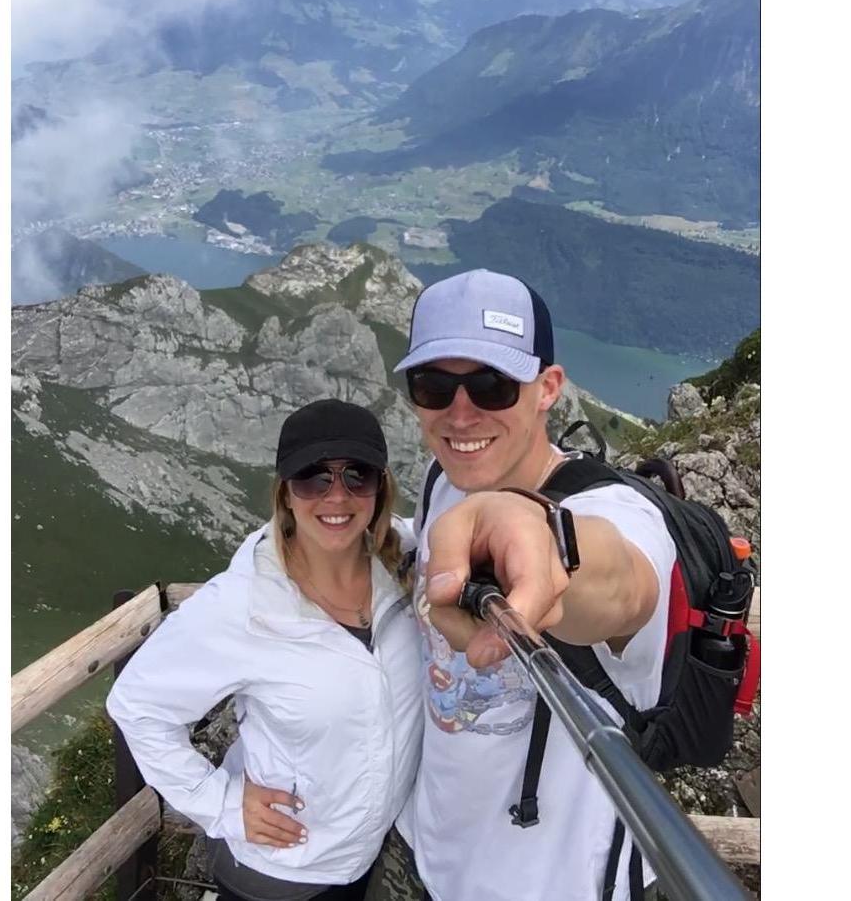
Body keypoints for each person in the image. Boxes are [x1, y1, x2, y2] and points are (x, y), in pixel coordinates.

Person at [392, 269, 676, 901]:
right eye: (433, 385)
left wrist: (550, 544)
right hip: (432, 850)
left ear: (548, 388)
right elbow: (427, 538)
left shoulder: (622, 515)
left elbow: (624, 584)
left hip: (554, 884)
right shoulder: (445, 481)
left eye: (492, 385)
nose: (459, 412)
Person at [106, 399, 423, 901]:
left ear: (380, 489)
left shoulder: (398, 559)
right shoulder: (241, 605)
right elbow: (136, 705)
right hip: (280, 877)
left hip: (362, 859)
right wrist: (223, 804)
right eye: (312, 478)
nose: (336, 496)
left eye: (356, 476)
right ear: (285, 493)